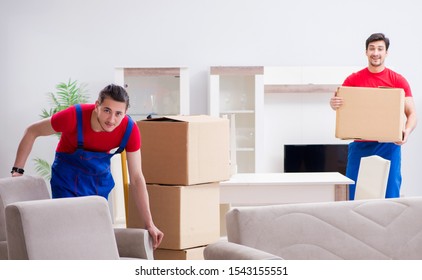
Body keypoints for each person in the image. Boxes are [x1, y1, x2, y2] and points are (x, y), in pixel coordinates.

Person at [11, 84, 164, 249]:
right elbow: (32, 131)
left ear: (125, 113)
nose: (112, 119)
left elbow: (136, 178)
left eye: (118, 113)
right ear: (97, 105)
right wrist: (17, 172)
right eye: (107, 110)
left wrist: (149, 223)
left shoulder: (129, 129)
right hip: (66, 179)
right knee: (68, 234)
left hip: (98, 182)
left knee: (94, 237)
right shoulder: (74, 116)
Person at [330, 33, 417, 200]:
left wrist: (406, 131)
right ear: (366, 52)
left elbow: (412, 113)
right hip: (360, 145)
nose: (375, 53)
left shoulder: (398, 81)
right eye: (372, 49)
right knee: (354, 193)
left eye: (380, 49)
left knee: (390, 193)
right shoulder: (353, 80)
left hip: (389, 145)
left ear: (386, 53)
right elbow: (340, 104)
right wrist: (334, 104)